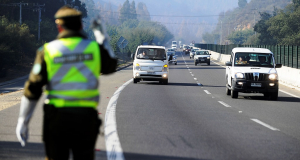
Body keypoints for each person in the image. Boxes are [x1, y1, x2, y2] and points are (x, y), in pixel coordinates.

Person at [15, 6, 117, 160]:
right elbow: (111, 66)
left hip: (57, 119)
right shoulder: (94, 49)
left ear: (59, 27)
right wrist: (102, 37)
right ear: (81, 25)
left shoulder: (48, 51)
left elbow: (33, 89)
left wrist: (23, 121)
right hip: (85, 120)